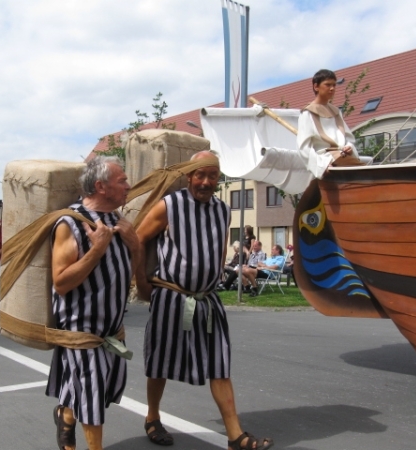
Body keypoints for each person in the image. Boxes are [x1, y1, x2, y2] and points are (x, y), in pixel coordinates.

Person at [136, 151, 273, 450]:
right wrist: (141, 282)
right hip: (172, 297)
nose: (206, 182)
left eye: (213, 175)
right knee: (160, 361)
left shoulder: (223, 211)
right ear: (189, 176)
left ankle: (235, 435)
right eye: (201, 175)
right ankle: (152, 417)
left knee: (219, 363)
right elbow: (138, 238)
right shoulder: (169, 207)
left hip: (208, 301)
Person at [46, 155, 138, 450]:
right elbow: (61, 282)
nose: (128, 185)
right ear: (101, 186)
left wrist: (135, 243)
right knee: (93, 398)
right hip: (81, 329)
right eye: (122, 180)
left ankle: (65, 413)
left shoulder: (120, 222)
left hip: (112, 329)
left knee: (96, 390)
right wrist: (96, 250)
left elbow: (130, 272)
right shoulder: (70, 224)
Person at [297, 69, 361, 179]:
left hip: (344, 158)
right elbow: (303, 148)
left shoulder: (336, 112)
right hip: (326, 161)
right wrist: (321, 166)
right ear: (316, 86)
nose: (332, 88)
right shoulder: (308, 113)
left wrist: (349, 147)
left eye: (334, 85)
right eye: (327, 85)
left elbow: (349, 139)